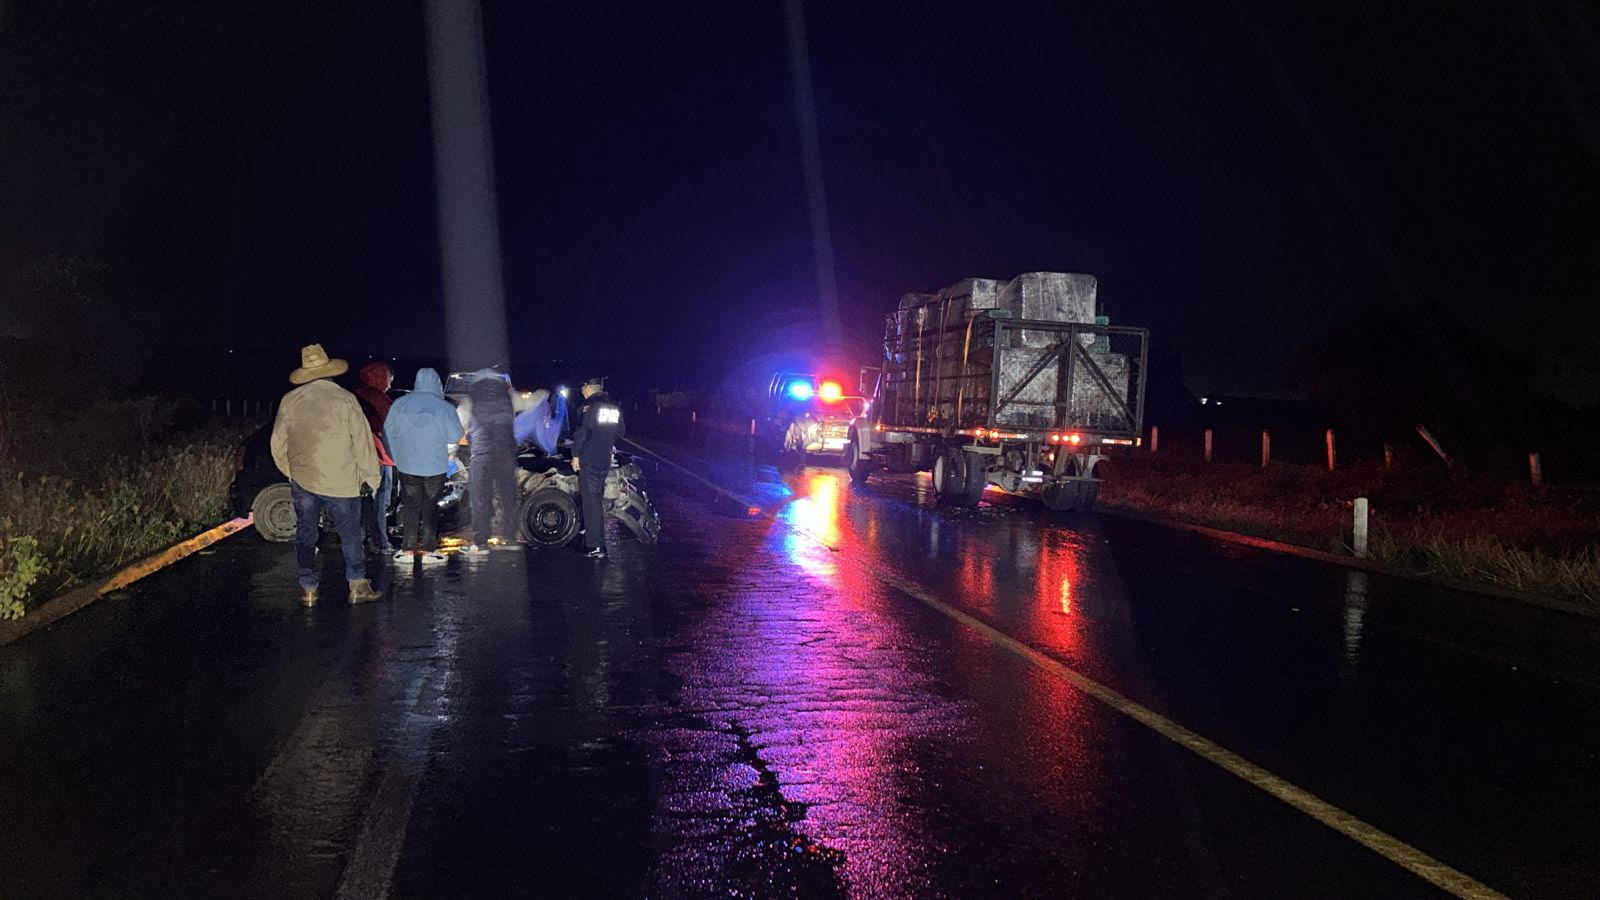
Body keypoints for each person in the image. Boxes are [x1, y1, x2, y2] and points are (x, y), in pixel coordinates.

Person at [270, 343, 383, 606]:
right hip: (342, 481)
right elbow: (363, 443)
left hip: (304, 480)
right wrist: (370, 478)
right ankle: (357, 585)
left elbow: (277, 444)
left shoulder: (290, 400)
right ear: (331, 371)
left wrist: (291, 472)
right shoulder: (345, 399)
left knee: (306, 532)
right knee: (350, 534)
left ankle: (308, 588)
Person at [383, 367, 464, 563]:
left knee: (410, 505)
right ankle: (429, 550)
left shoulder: (400, 404)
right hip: (435, 466)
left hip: (407, 465)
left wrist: (396, 456)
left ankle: (407, 550)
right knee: (430, 506)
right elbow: (455, 435)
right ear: (437, 383)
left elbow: (387, 430)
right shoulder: (444, 407)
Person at [464, 368, 519, 553]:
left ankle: (481, 541)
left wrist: (453, 449)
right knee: (507, 495)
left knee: (480, 497)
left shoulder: (470, 401)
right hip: (505, 454)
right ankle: (510, 537)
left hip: (481, 455)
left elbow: (459, 426)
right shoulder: (508, 399)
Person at [572, 375, 624, 559]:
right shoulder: (613, 407)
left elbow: (582, 432)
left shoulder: (590, 407)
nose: (582, 391)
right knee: (596, 501)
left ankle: (595, 547)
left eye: (583, 388)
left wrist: (575, 455)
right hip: (604, 459)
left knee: (591, 503)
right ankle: (595, 538)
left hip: (589, 459)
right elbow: (620, 432)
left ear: (588, 388)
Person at [353, 360, 398, 555]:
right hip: (379, 458)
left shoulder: (354, 396)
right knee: (380, 500)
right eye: (388, 378)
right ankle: (380, 541)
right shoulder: (381, 400)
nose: (390, 383)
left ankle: (360, 536)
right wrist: (395, 457)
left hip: (356, 458)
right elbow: (390, 431)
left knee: (361, 499)